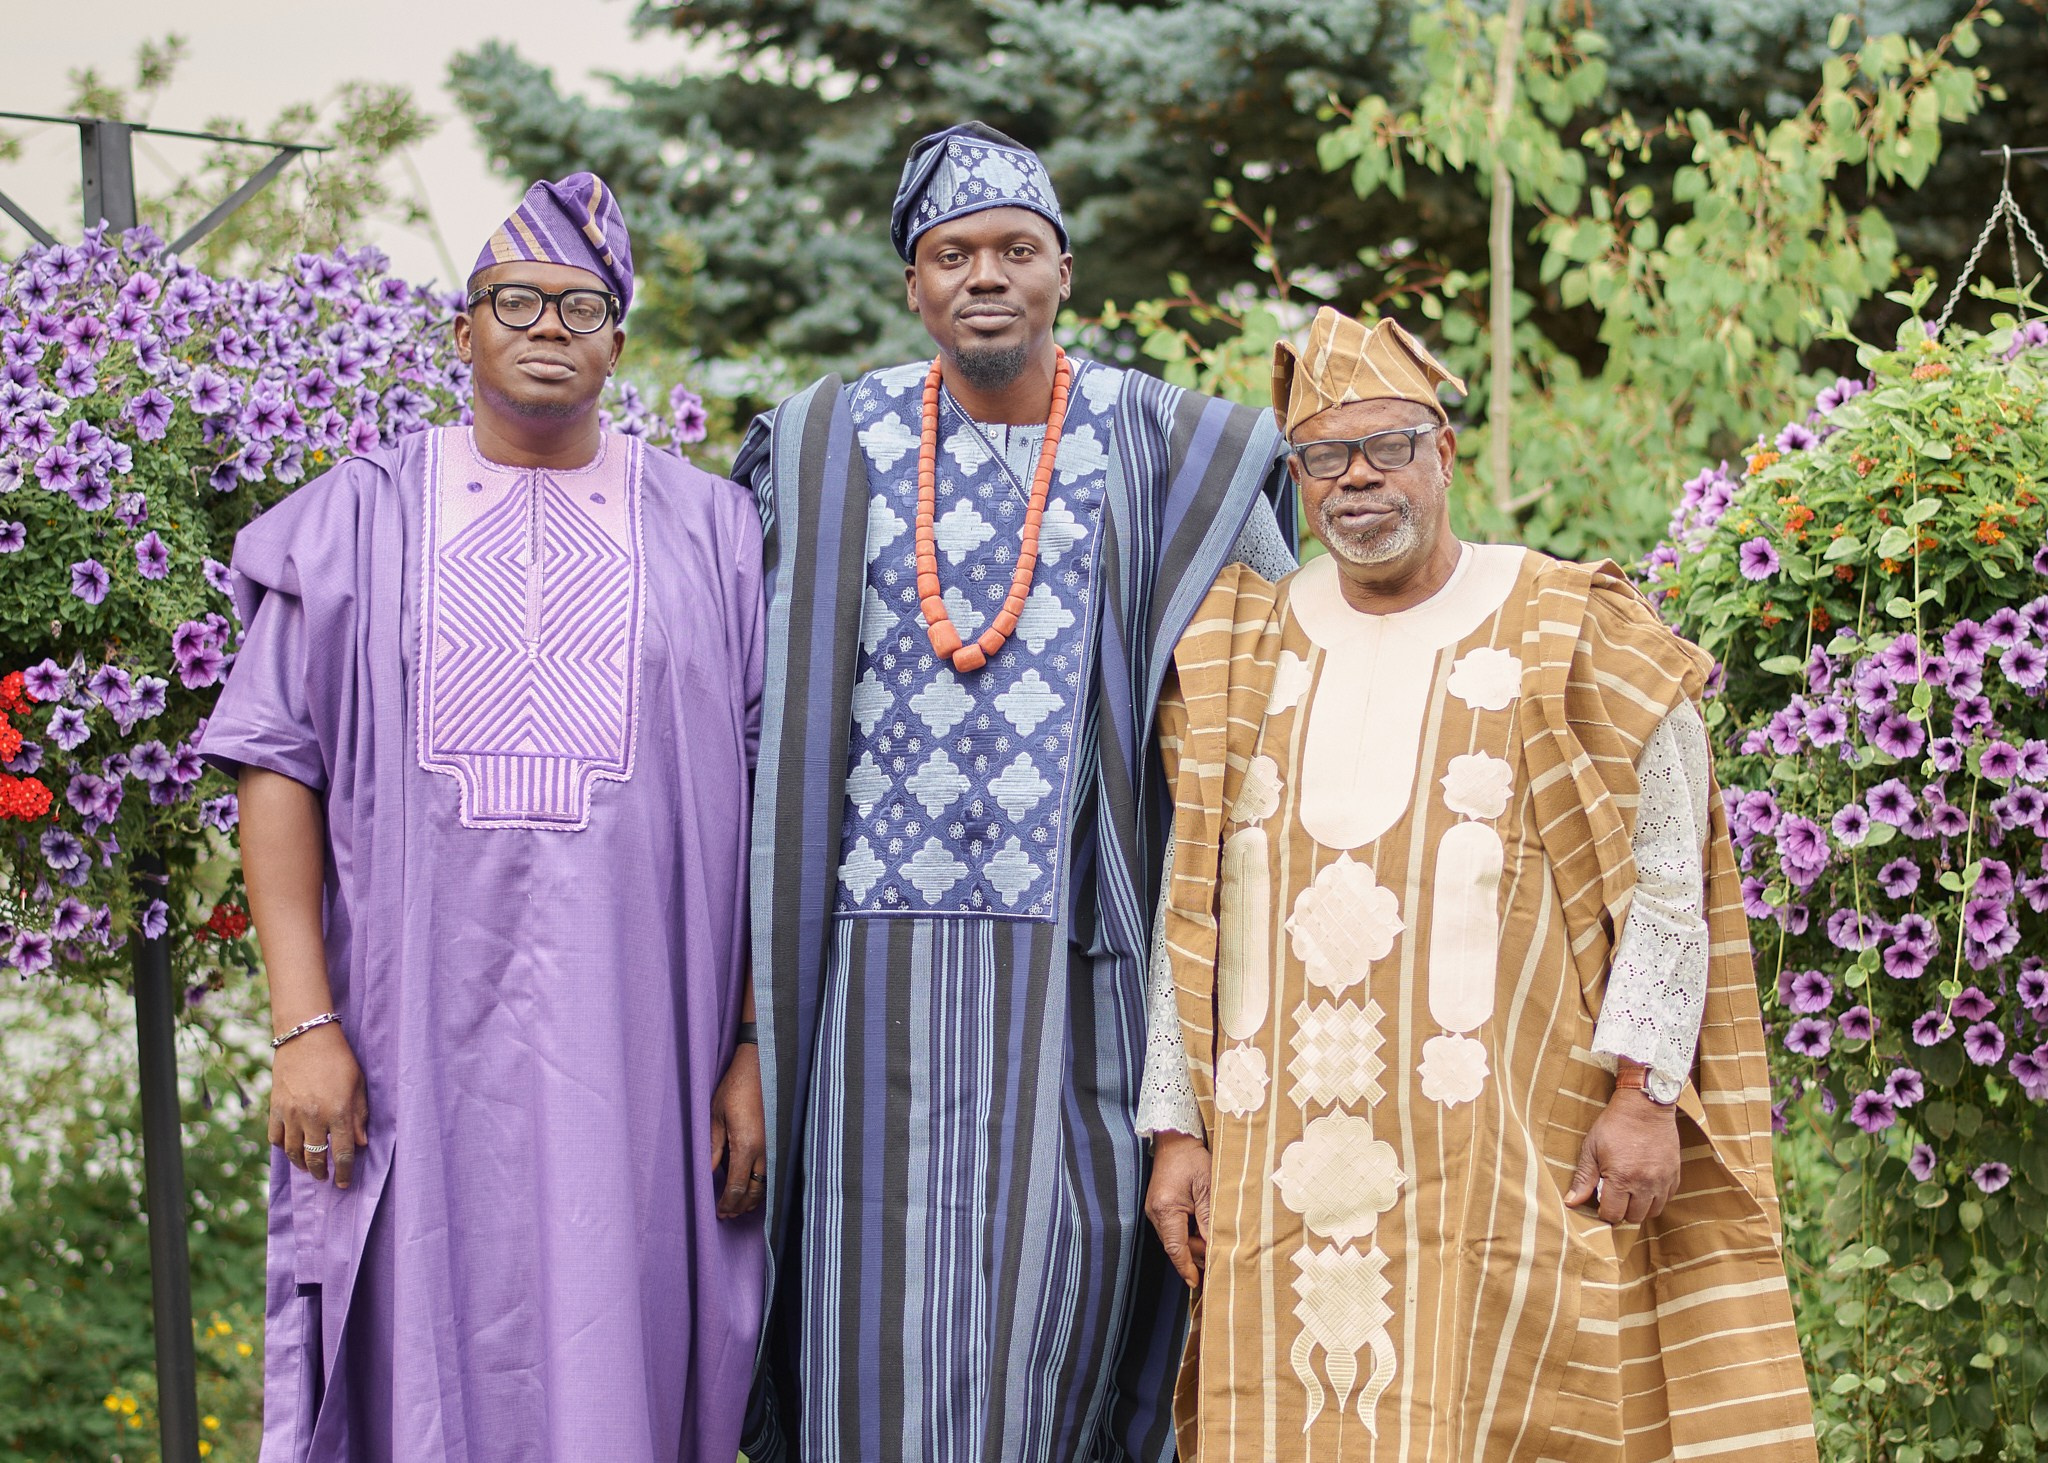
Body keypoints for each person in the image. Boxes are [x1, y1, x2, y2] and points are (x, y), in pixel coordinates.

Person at [1141, 307, 1817, 1461]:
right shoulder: (1239, 646)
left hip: (1514, 1152)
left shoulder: (1568, 624)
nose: (1356, 480)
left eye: (1387, 446)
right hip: (1278, 1165)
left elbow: (1667, 877)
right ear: (1294, 475)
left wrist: (1645, 1096)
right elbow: (1187, 901)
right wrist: (1172, 1126)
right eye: (1322, 456)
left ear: (1442, 452)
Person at [733, 122, 1296, 1462]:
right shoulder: (824, 442)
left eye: (1014, 249)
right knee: (873, 1327)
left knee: (1090, 1301)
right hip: (865, 978)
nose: (983, 274)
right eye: (951, 253)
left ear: (1062, 272)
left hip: (1089, 972)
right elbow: (727, 692)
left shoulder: (1169, 441)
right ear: (914, 287)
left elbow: (1287, 664)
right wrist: (744, 1025)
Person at [202, 173, 767, 1463]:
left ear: (619, 343)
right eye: (516, 298)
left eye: (583, 305)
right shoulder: (356, 519)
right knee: (415, 1354)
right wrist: (305, 1023)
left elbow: (771, 797)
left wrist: (752, 1043)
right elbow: (275, 761)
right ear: (461, 330)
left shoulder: (717, 536)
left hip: (654, 1066)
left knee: (632, 1350)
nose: (549, 324)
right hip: (407, 1058)